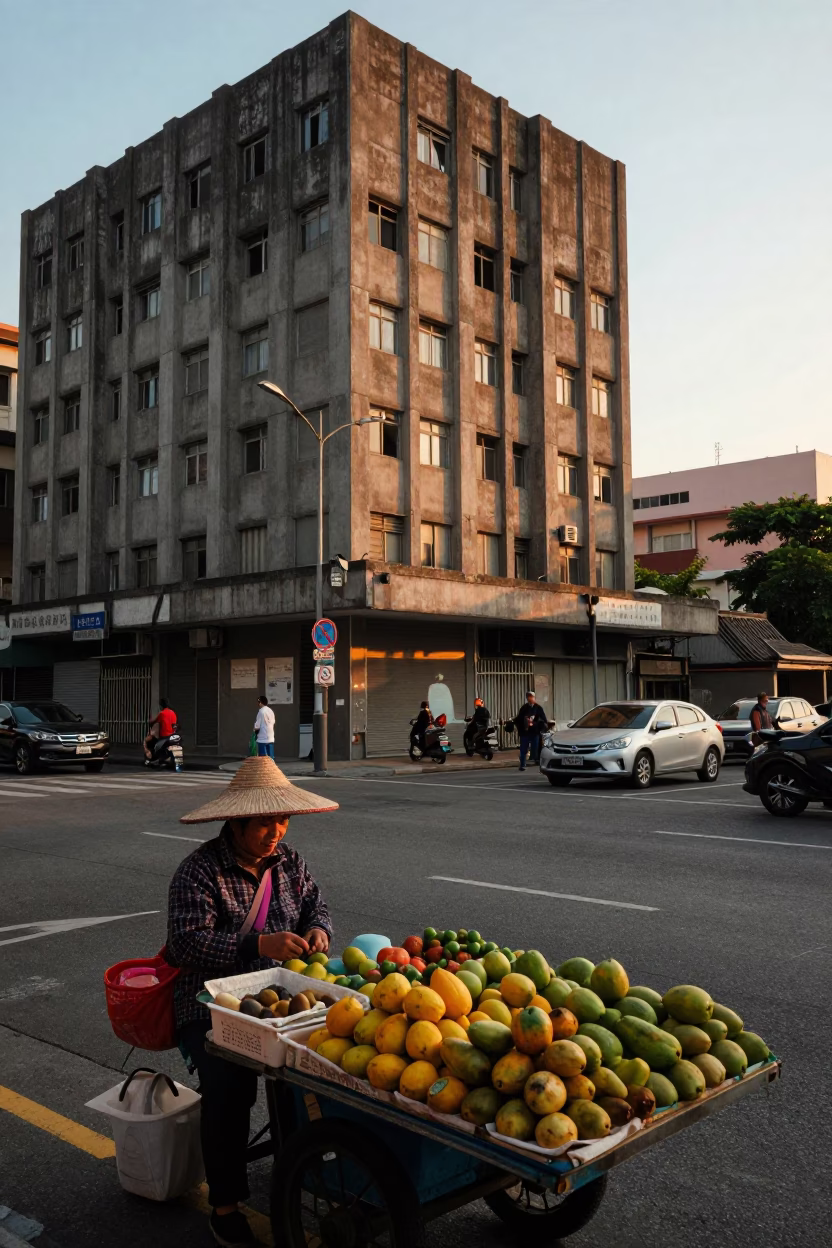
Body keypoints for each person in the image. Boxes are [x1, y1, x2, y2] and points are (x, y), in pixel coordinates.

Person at [168, 757, 337, 1248]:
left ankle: (300, 1158)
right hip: (209, 1006)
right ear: (236, 821)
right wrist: (257, 944)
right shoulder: (199, 872)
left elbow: (316, 904)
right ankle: (224, 1204)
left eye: (282, 821)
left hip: (279, 998)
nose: (275, 831)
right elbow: (185, 944)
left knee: (314, 1068)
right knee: (229, 1085)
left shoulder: (290, 861)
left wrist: (318, 929)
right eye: (265, 822)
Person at [514, 690, 549, 771]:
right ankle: (522, 764)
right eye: (528, 697)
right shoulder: (524, 708)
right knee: (523, 749)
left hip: (535, 732)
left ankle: (535, 760)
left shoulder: (538, 708)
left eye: (531, 696)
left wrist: (536, 724)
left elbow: (543, 720)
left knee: (535, 748)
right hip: (525, 732)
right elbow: (519, 719)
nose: (530, 698)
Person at [144, 698, 177, 762]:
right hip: (172, 735)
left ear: (161, 706)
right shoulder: (173, 713)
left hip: (164, 736)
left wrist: (149, 722)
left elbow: (154, 722)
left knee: (156, 746)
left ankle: (157, 759)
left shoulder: (162, 714)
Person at [253, 694, 275, 759]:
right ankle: (271, 768)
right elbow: (273, 722)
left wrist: (254, 730)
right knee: (270, 758)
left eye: (258, 702)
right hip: (270, 736)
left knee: (263, 759)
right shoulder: (270, 711)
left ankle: (264, 769)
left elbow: (257, 726)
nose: (258, 704)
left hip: (262, 738)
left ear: (260, 702)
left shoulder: (261, 711)